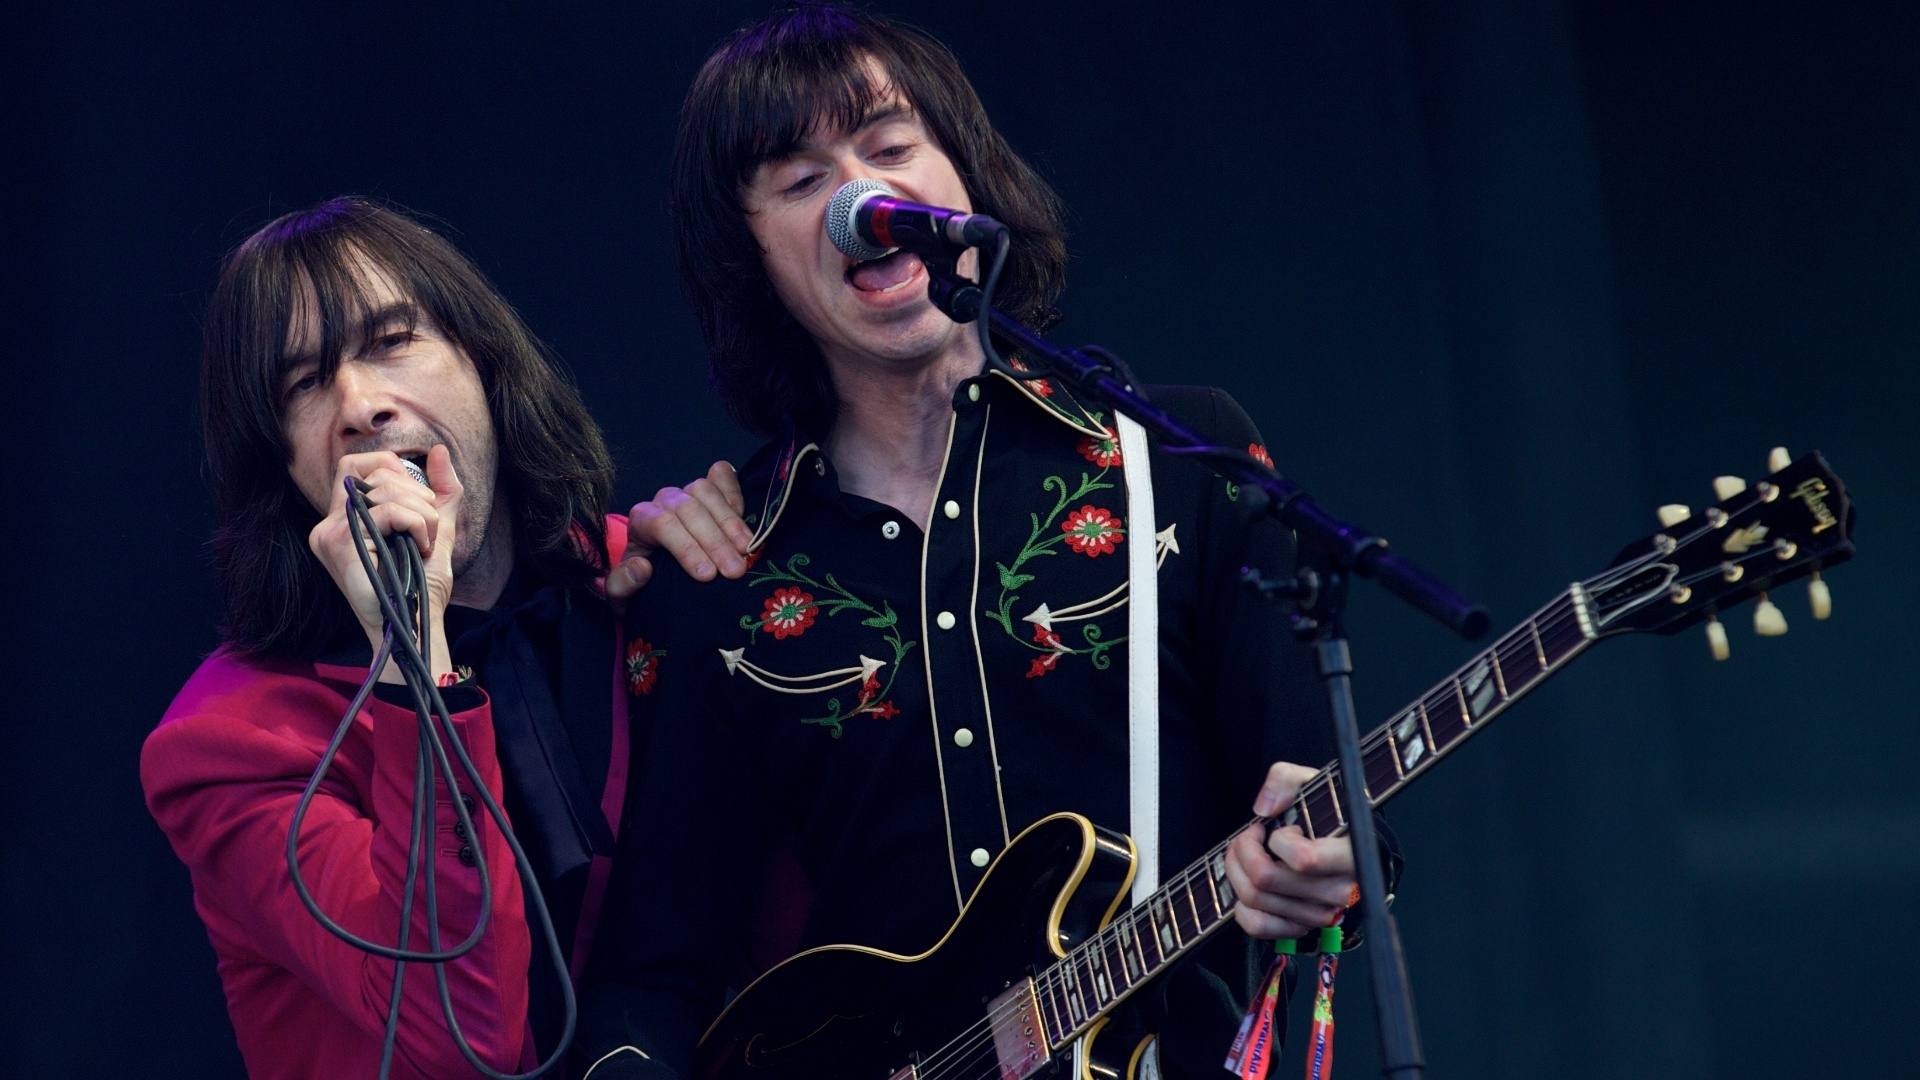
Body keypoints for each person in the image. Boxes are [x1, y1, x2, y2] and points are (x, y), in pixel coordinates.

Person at [580, 8, 1383, 1079]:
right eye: (803, 179)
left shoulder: (1177, 461)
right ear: (750, 256)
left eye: (889, 145)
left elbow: (1328, 817)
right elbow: (652, 974)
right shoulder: (727, 571)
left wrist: (1331, 864)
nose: (862, 196)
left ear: (964, 178)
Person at [141, 197, 721, 1079]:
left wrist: (725, 547)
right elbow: (457, 1037)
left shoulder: (632, 578)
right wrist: (411, 653)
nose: (359, 406)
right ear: (282, 464)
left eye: (390, 341)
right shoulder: (226, 743)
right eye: (302, 386)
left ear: (484, 361)